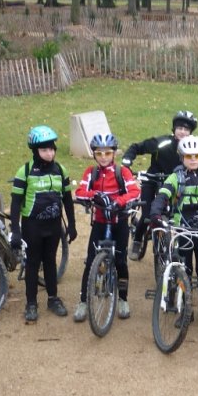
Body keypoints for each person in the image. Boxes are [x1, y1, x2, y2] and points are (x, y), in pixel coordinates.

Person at [150, 135, 198, 329]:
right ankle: (185, 309)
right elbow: (162, 196)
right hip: (182, 231)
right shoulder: (176, 177)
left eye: (197, 156)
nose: (193, 159)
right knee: (185, 270)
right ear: (182, 157)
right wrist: (156, 213)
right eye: (189, 156)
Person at [10, 125, 79, 322]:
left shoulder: (60, 170)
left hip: (54, 225)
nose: (49, 153)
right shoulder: (24, 171)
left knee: (50, 261)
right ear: (35, 151)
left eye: (52, 149)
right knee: (32, 263)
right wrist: (16, 231)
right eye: (44, 150)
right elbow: (15, 204)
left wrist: (72, 225)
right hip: (32, 226)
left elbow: (67, 198)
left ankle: (53, 298)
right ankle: (31, 303)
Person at [73, 133, 141, 322]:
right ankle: (83, 301)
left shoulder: (122, 172)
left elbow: (135, 191)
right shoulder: (91, 172)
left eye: (108, 153)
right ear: (94, 154)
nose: (103, 157)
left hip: (119, 222)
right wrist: (95, 195)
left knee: (120, 261)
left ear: (114, 154)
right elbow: (80, 192)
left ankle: (123, 299)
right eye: (99, 153)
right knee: (91, 261)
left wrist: (119, 201)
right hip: (101, 222)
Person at [122, 110, 198, 261]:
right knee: (147, 214)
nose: (182, 132)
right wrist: (126, 162)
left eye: (186, 129)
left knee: (178, 215)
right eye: (179, 128)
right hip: (153, 180)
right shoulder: (162, 142)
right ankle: (137, 239)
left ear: (190, 132)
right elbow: (136, 147)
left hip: (176, 184)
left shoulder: (191, 148)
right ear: (174, 129)